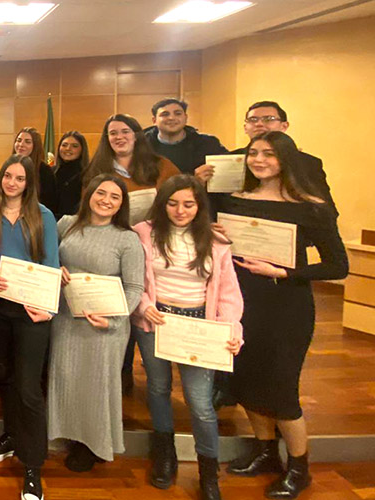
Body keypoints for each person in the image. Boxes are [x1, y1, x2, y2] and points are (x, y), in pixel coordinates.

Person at [219, 131, 347, 499]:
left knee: (281, 389)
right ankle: (264, 453)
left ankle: (298, 467)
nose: (258, 160)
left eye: (269, 154)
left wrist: (286, 273)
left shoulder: (311, 206)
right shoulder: (236, 201)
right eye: (254, 153)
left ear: (285, 159)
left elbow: (338, 265)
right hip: (242, 305)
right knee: (246, 382)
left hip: (286, 308)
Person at [131, 175, 244, 500]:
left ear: (199, 206)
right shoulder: (144, 233)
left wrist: (231, 328)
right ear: (162, 204)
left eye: (189, 204)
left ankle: (209, 470)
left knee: (200, 403)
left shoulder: (216, 241)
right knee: (158, 388)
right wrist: (144, 305)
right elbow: (135, 278)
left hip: (199, 326)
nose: (180, 210)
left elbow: (228, 294)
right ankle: (164, 454)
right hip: (156, 321)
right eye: (173, 203)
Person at [48, 174, 144, 472]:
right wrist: (57, 268)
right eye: (101, 193)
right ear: (89, 193)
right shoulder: (67, 224)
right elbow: (48, 258)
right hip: (67, 317)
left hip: (105, 324)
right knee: (66, 377)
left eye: (115, 197)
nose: (106, 200)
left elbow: (135, 289)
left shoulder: (126, 239)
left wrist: (113, 318)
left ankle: (93, 443)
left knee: (96, 384)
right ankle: (69, 434)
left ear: (121, 204)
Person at [0, 154, 59, 500]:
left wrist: (49, 310)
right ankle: (11, 436)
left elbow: (52, 264)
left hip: (31, 311)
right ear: (0, 179)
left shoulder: (44, 216)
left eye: (20, 178)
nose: (12, 183)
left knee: (28, 388)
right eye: (8, 176)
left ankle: (32, 467)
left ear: (29, 183)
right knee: (5, 376)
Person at [85, 114, 180, 391]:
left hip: (158, 252)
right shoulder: (97, 170)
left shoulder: (161, 167)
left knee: (147, 313)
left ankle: (159, 386)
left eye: (125, 131)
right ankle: (120, 380)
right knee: (116, 312)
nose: (119, 137)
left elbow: (182, 200)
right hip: (112, 251)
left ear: (137, 134)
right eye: (112, 133)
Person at [208, 101, 336, 216]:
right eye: (253, 119)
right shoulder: (229, 160)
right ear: (245, 128)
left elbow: (326, 209)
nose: (259, 124)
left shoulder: (308, 163)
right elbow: (216, 204)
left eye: (268, 119)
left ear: (284, 126)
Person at [143, 98, 228, 175]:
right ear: (154, 120)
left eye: (178, 113)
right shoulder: (141, 146)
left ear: (185, 118)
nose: (172, 118)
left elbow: (227, 169)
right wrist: (194, 181)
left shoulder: (208, 144)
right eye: (165, 114)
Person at [12, 126, 58, 211]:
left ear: (35, 146)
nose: (21, 144)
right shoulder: (10, 166)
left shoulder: (45, 171)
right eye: (18, 140)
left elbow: (50, 204)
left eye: (27, 142)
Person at [51, 131, 88, 220]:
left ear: (82, 150)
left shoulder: (88, 174)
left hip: (75, 223)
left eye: (74, 146)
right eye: (64, 145)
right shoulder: (51, 172)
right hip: (49, 222)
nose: (68, 148)